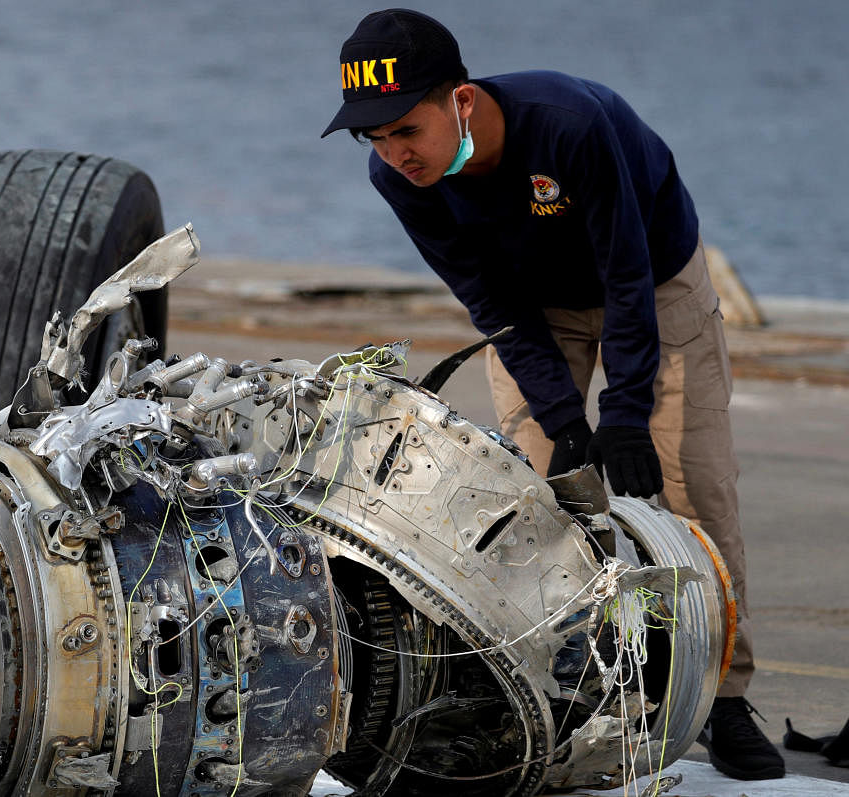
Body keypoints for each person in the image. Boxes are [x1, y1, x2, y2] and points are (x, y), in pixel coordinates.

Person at [321, 8, 784, 782]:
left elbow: (629, 275)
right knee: (537, 504)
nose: (395, 153)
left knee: (691, 489)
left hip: (653, 280)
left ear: (460, 101)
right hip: (535, 306)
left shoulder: (570, 126)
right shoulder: (401, 180)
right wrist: (567, 421)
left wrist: (626, 412)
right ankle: (581, 687)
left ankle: (723, 698)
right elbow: (490, 301)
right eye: (376, 136)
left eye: (407, 128)